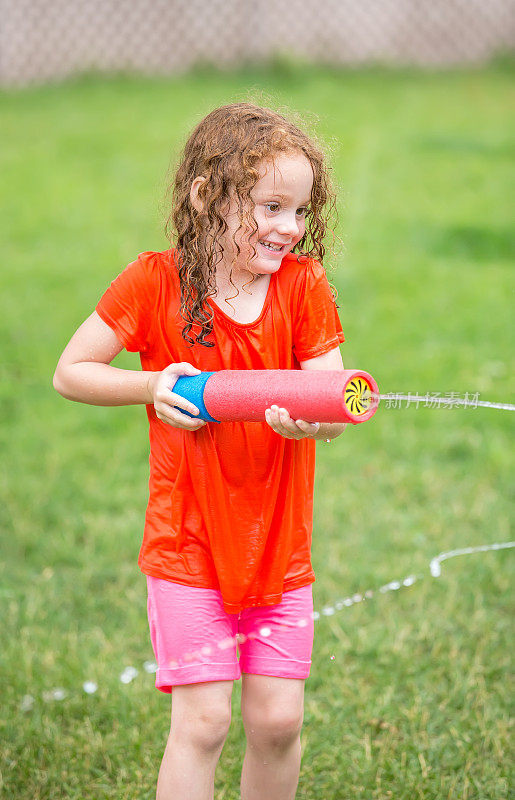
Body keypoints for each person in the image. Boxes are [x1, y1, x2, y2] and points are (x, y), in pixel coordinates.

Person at [53, 102, 346, 800]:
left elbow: (332, 400)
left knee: (277, 718)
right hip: (188, 547)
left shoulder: (302, 286)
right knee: (206, 720)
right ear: (207, 196)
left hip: (279, 546)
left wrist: (316, 423)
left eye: (300, 210)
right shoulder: (155, 281)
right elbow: (72, 371)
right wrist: (152, 385)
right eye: (271, 206)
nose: (288, 227)